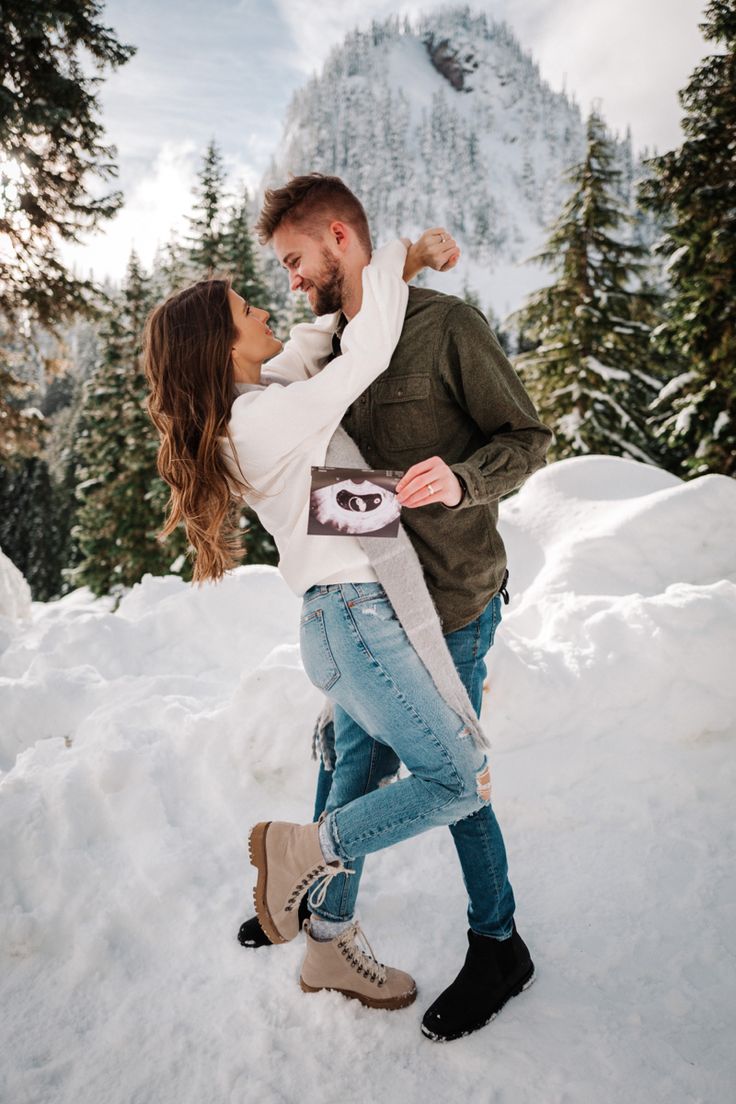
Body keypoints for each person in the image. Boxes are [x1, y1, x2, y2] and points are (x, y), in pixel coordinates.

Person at [234, 174, 553, 1041]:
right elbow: (336, 493)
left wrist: (463, 478)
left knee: (458, 775)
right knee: (348, 758)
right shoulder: (338, 346)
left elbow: (528, 438)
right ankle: (314, 909)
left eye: (296, 260)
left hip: (450, 603)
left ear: (339, 237)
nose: (291, 281)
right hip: (372, 607)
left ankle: (499, 944)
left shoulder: (445, 327)